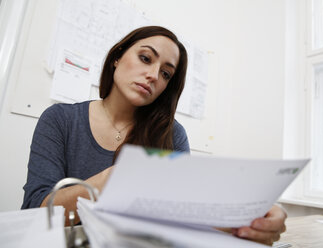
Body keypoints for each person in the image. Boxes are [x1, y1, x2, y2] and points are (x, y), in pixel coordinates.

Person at [21, 26, 286, 245]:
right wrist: (109, 180)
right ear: (117, 57)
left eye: (166, 74)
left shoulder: (172, 135)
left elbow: (187, 213)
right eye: (146, 58)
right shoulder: (60, 120)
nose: (152, 76)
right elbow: (36, 212)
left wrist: (254, 217)